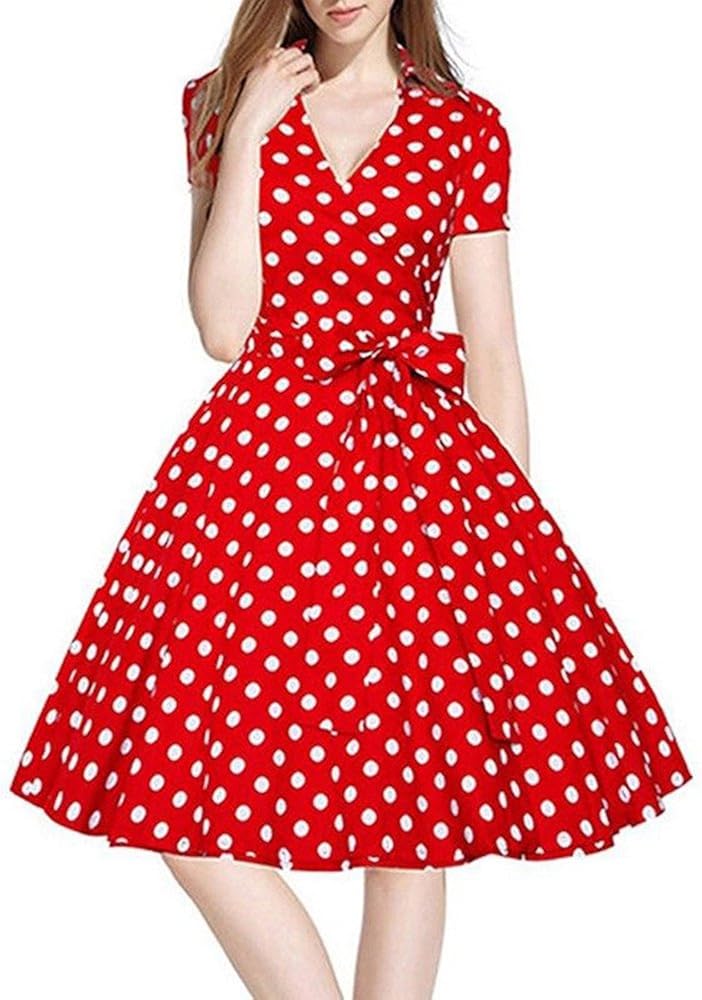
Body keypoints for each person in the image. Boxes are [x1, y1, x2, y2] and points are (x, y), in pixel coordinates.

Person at [9, 1, 693, 996]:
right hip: (258, 470)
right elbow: (223, 328)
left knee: (414, 811)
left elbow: (493, 348)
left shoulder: (463, 126)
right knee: (169, 779)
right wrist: (247, 129)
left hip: (417, 474)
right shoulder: (220, 104)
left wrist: (506, 548)